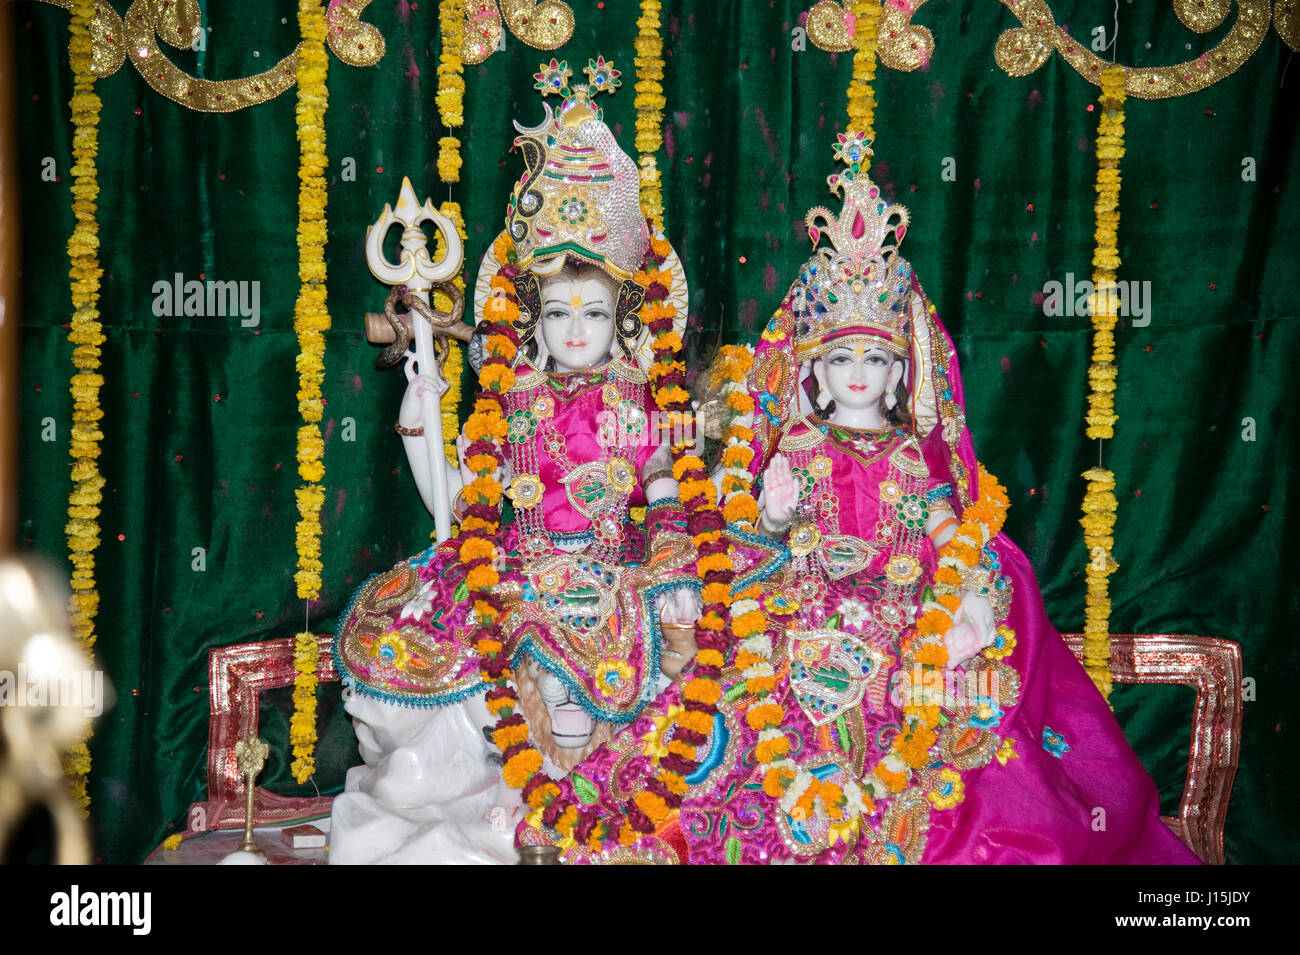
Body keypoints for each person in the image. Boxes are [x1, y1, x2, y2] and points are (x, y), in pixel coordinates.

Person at [517, 133, 1200, 864]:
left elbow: (949, 526)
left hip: (902, 611)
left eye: (874, 358)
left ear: (902, 373)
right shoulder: (799, 448)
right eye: (840, 357)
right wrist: (773, 508)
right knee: (730, 715)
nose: (857, 375)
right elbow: (758, 524)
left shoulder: (910, 451)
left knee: (940, 712)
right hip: (797, 608)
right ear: (814, 368)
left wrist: (964, 589)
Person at [331, 59, 700, 863]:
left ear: (623, 317)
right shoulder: (514, 398)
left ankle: (584, 807)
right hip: (514, 568)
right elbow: (458, 500)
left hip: (613, 576)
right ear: (532, 317)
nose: (575, 330)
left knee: (654, 671)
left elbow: (670, 495)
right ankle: (515, 801)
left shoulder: (646, 400)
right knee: (459, 665)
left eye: (594, 312)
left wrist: (672, 577)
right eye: (559, 310)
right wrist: (418, 410)